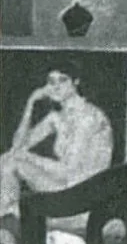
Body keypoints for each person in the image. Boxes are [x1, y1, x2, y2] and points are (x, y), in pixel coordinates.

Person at [1, 66, 116, 215]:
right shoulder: (57, 117)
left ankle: (7, 212)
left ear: (76, 82)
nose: (56, 87)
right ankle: (6, 212)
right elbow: (17, 146)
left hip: (84, 195)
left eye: (62, 80)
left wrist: (27, 157)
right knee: (8, 160)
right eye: (51, 82)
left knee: (12, 162)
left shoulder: (89, 116)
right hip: (64, 186)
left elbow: (71, 170)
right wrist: (31, 103)